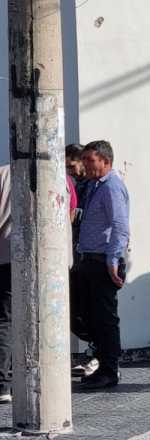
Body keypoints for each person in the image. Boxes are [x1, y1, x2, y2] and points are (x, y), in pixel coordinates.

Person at [74, 140, 130, 389]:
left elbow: (119, 225)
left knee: (105, 317)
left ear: (105, 162)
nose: (85, 164)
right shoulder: (94, 186)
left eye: (90, 160)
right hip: (88, 258)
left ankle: (110, 368)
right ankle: (101, 358)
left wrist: (113, 260)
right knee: (85, 313)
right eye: (84, 159)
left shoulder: (111, 187)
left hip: (103, 260)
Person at [0, 166, 10, 402]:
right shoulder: (53, 173)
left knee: (5, 320)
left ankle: (2, 383)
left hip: (6, 257)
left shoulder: (3, 174)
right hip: (46, 261)